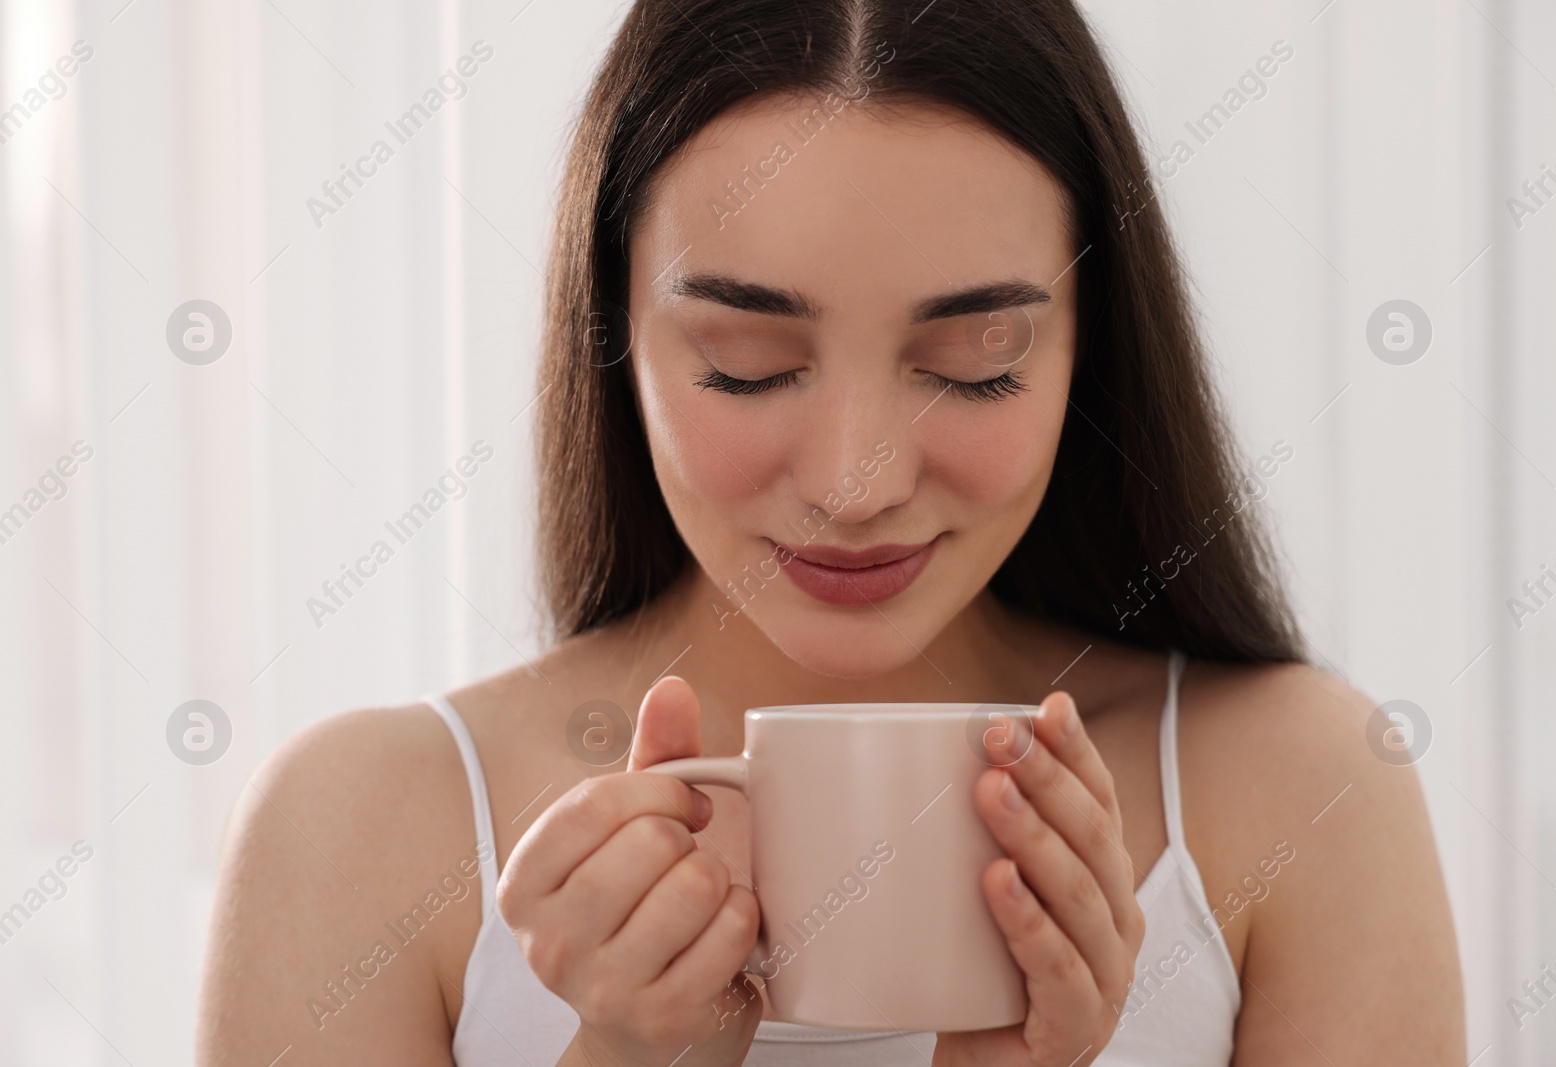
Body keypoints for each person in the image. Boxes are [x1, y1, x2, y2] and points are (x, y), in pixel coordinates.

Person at [197, 1, 1465, 1063]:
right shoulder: (361, 830)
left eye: (976, 363)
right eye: (746, 364)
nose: (856, 484)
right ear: (614, 337)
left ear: (1096, 352)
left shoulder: (1300, 785)